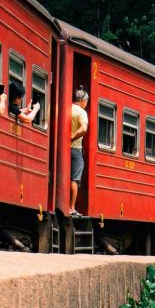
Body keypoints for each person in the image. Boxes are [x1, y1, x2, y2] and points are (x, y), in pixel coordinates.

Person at [69, 86, 88, 217]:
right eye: (86, 102)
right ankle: (71, 207)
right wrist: (71, 138)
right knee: (75, 179)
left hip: (65, 150)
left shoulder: (67, 108)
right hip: (75, 149)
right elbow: (83, 129)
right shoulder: (81, 112)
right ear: (82, 100)